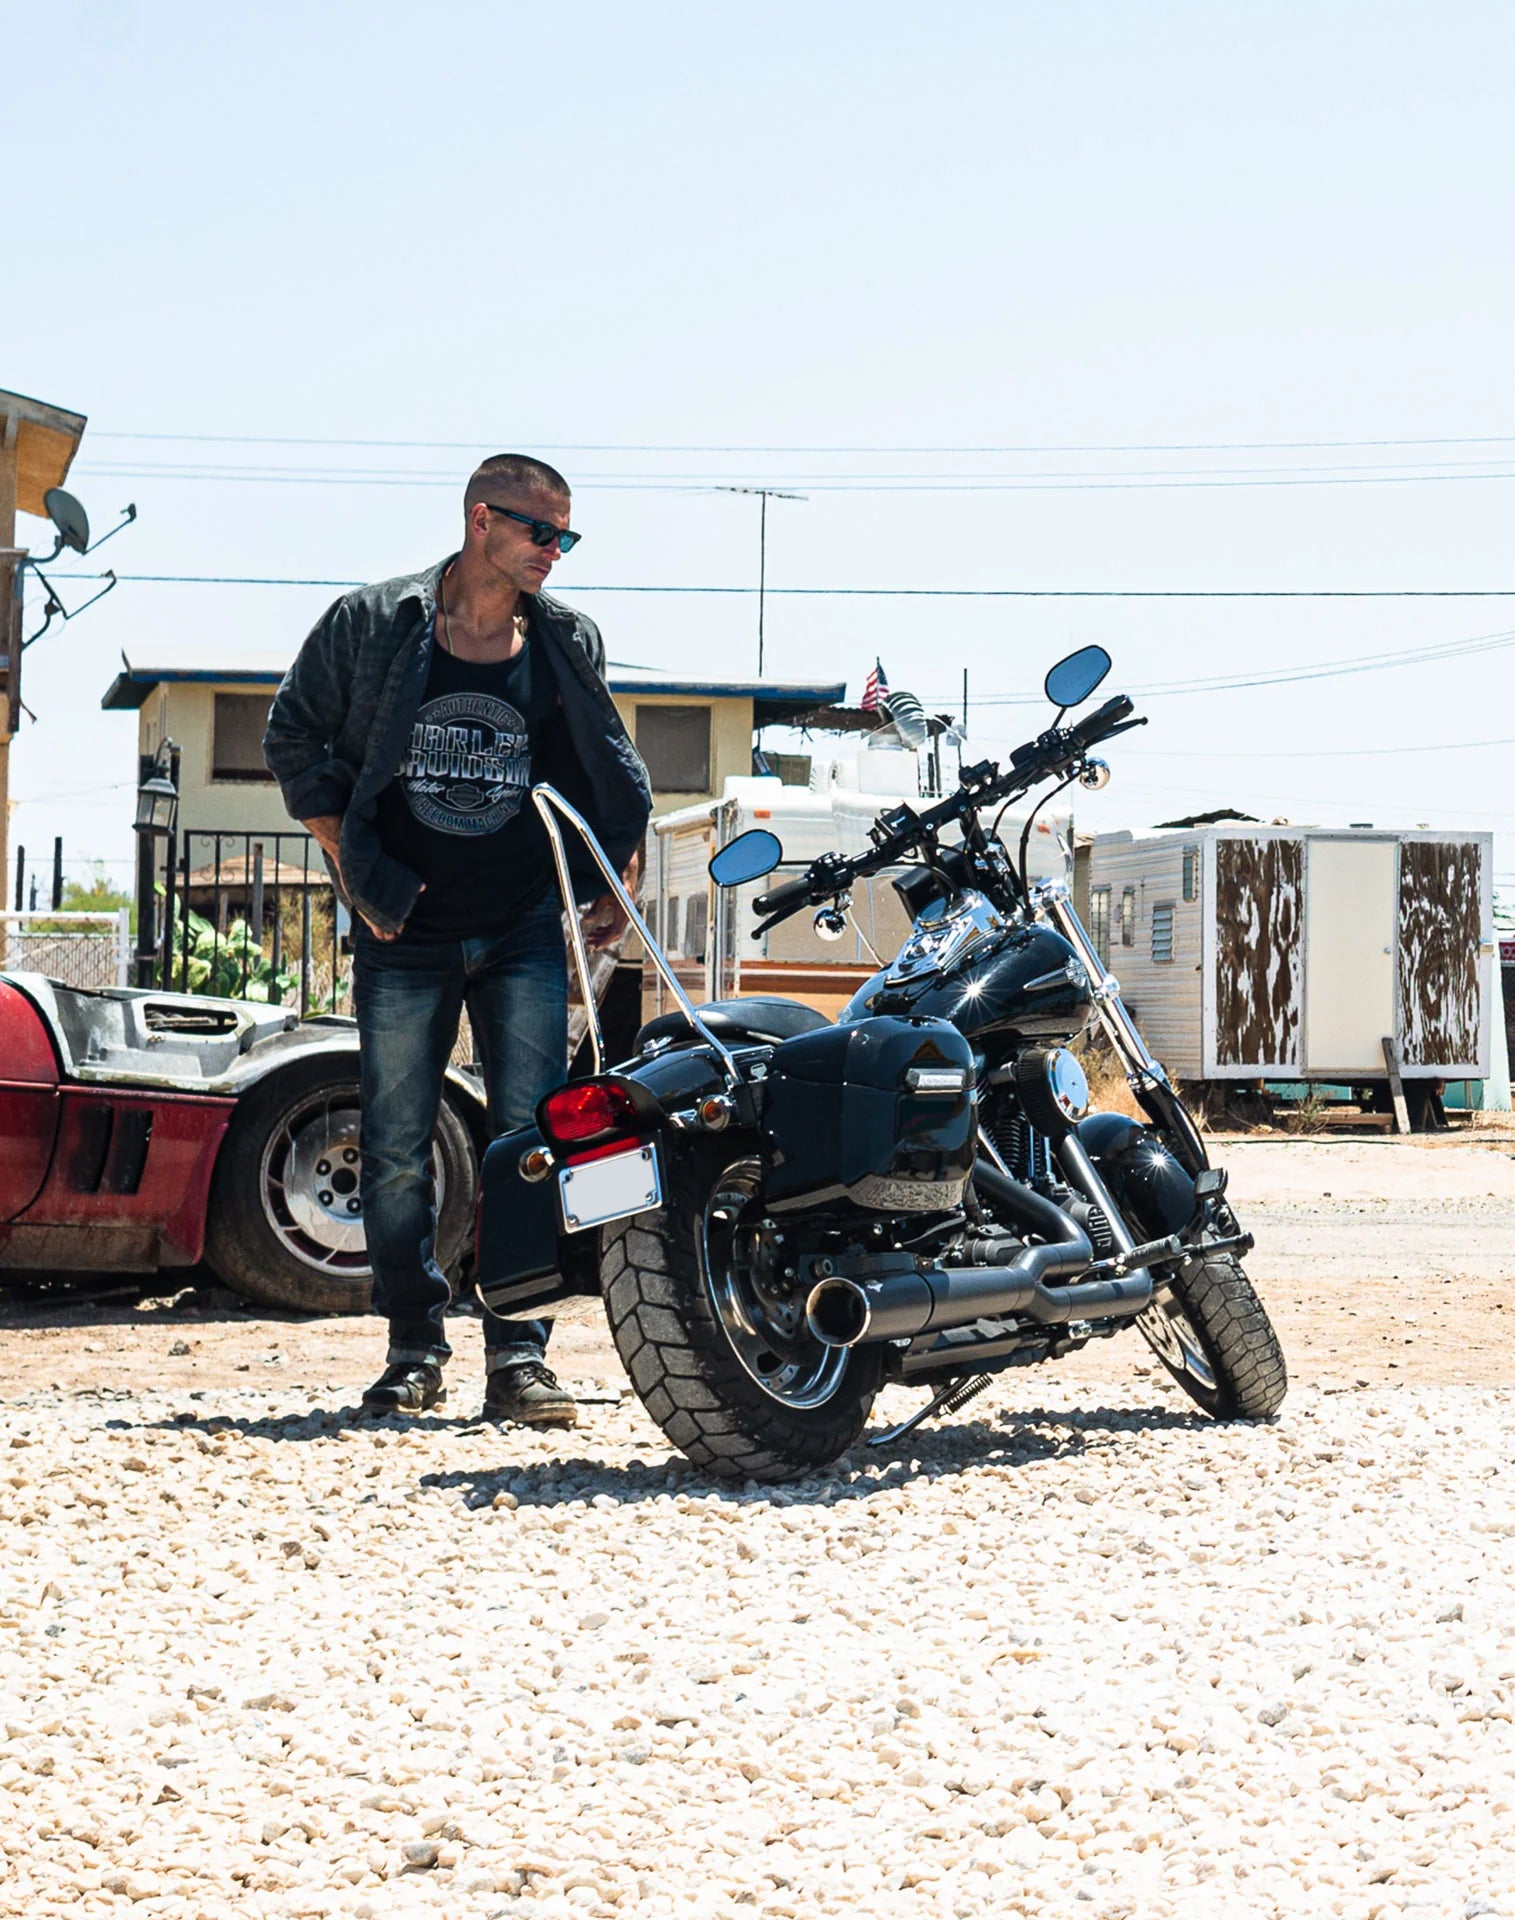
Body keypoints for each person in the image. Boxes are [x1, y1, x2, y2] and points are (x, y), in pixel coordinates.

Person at [264, 454, 651, 1425]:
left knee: (529, 1143)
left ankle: (518, 1359)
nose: (554, 552)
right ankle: (413, 1351)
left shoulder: (564, 639)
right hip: (403, 928)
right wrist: (352, 864)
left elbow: (597, 761)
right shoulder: (373, 623)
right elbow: (292, 736)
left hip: (521, 926)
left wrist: (614, 866)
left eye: (566, 536)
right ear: (482, 519)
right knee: (396, 1146)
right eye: (539, 531)